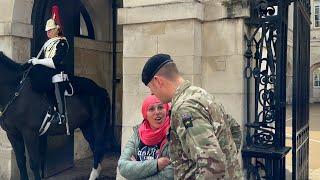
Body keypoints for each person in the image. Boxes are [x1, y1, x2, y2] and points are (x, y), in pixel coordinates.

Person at [141, 54, 243, 179]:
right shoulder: (201, 95)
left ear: (158, 81)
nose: (153, 94)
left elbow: (213, 165)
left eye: (152, 89)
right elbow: (235, 130)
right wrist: (228, 161)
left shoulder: (185, 108)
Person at [29, 5, 69, 122]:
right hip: (48, 69)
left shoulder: (62, 42)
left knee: (55, 80)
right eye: (47, 31)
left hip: (58, 70)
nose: (48, 32)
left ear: (57, 29)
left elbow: (55, 61)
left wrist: (38, 61)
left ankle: (60, 114)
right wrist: (34, 62)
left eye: (50, 30)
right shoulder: (49, 43)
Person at [118, 95, 173, 179]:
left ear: (166, 110)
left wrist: (137, 172)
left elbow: (170, 174)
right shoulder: (138, 134)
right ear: (145, 114)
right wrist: (157, 165)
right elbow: (123, 166)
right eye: (151, 109)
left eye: (160, 107)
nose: (157, 112)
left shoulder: (173, 134)